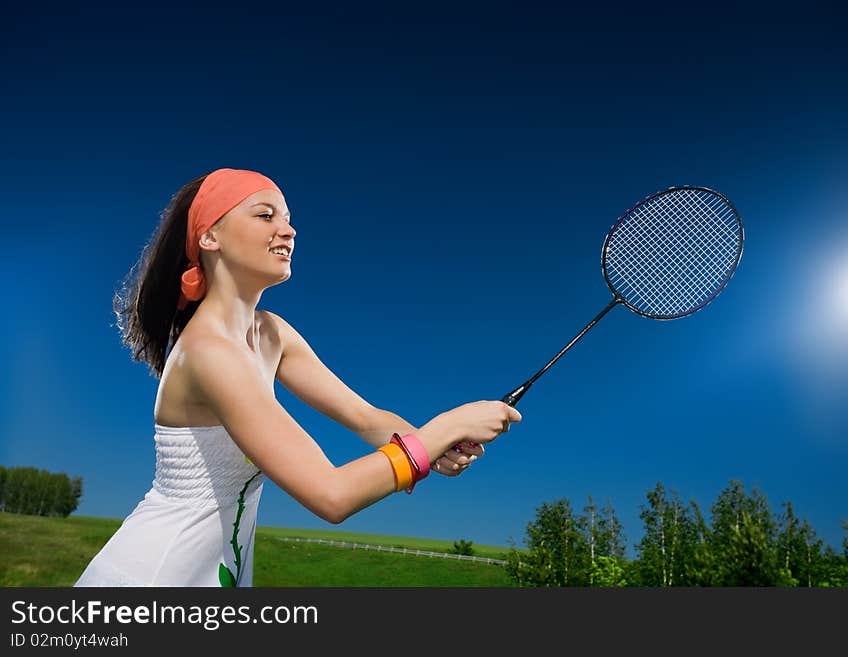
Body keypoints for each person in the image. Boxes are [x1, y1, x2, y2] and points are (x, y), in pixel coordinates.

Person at [74, 167, 521, 587]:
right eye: (265, 215)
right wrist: (449, 427)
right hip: (155, 574)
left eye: (288, 219)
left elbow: (365, 418)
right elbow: (331, 494)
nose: (287, 230)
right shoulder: (210, 353)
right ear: (210, 236)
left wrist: (430, 446)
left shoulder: (272, 334)